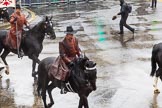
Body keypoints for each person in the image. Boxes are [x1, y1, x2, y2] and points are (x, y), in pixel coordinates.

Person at [59, 26, 82, 94]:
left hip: (74, 57)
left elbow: (78, 49)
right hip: (66, 58)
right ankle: (63, 86)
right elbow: (62, 55)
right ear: (67, 34)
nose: (72, 36)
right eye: (70, 34)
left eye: (72, 34)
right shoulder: (62, 42)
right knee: (66, 71)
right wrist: (69, 62)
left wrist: (80, 55)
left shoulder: (75, 39)